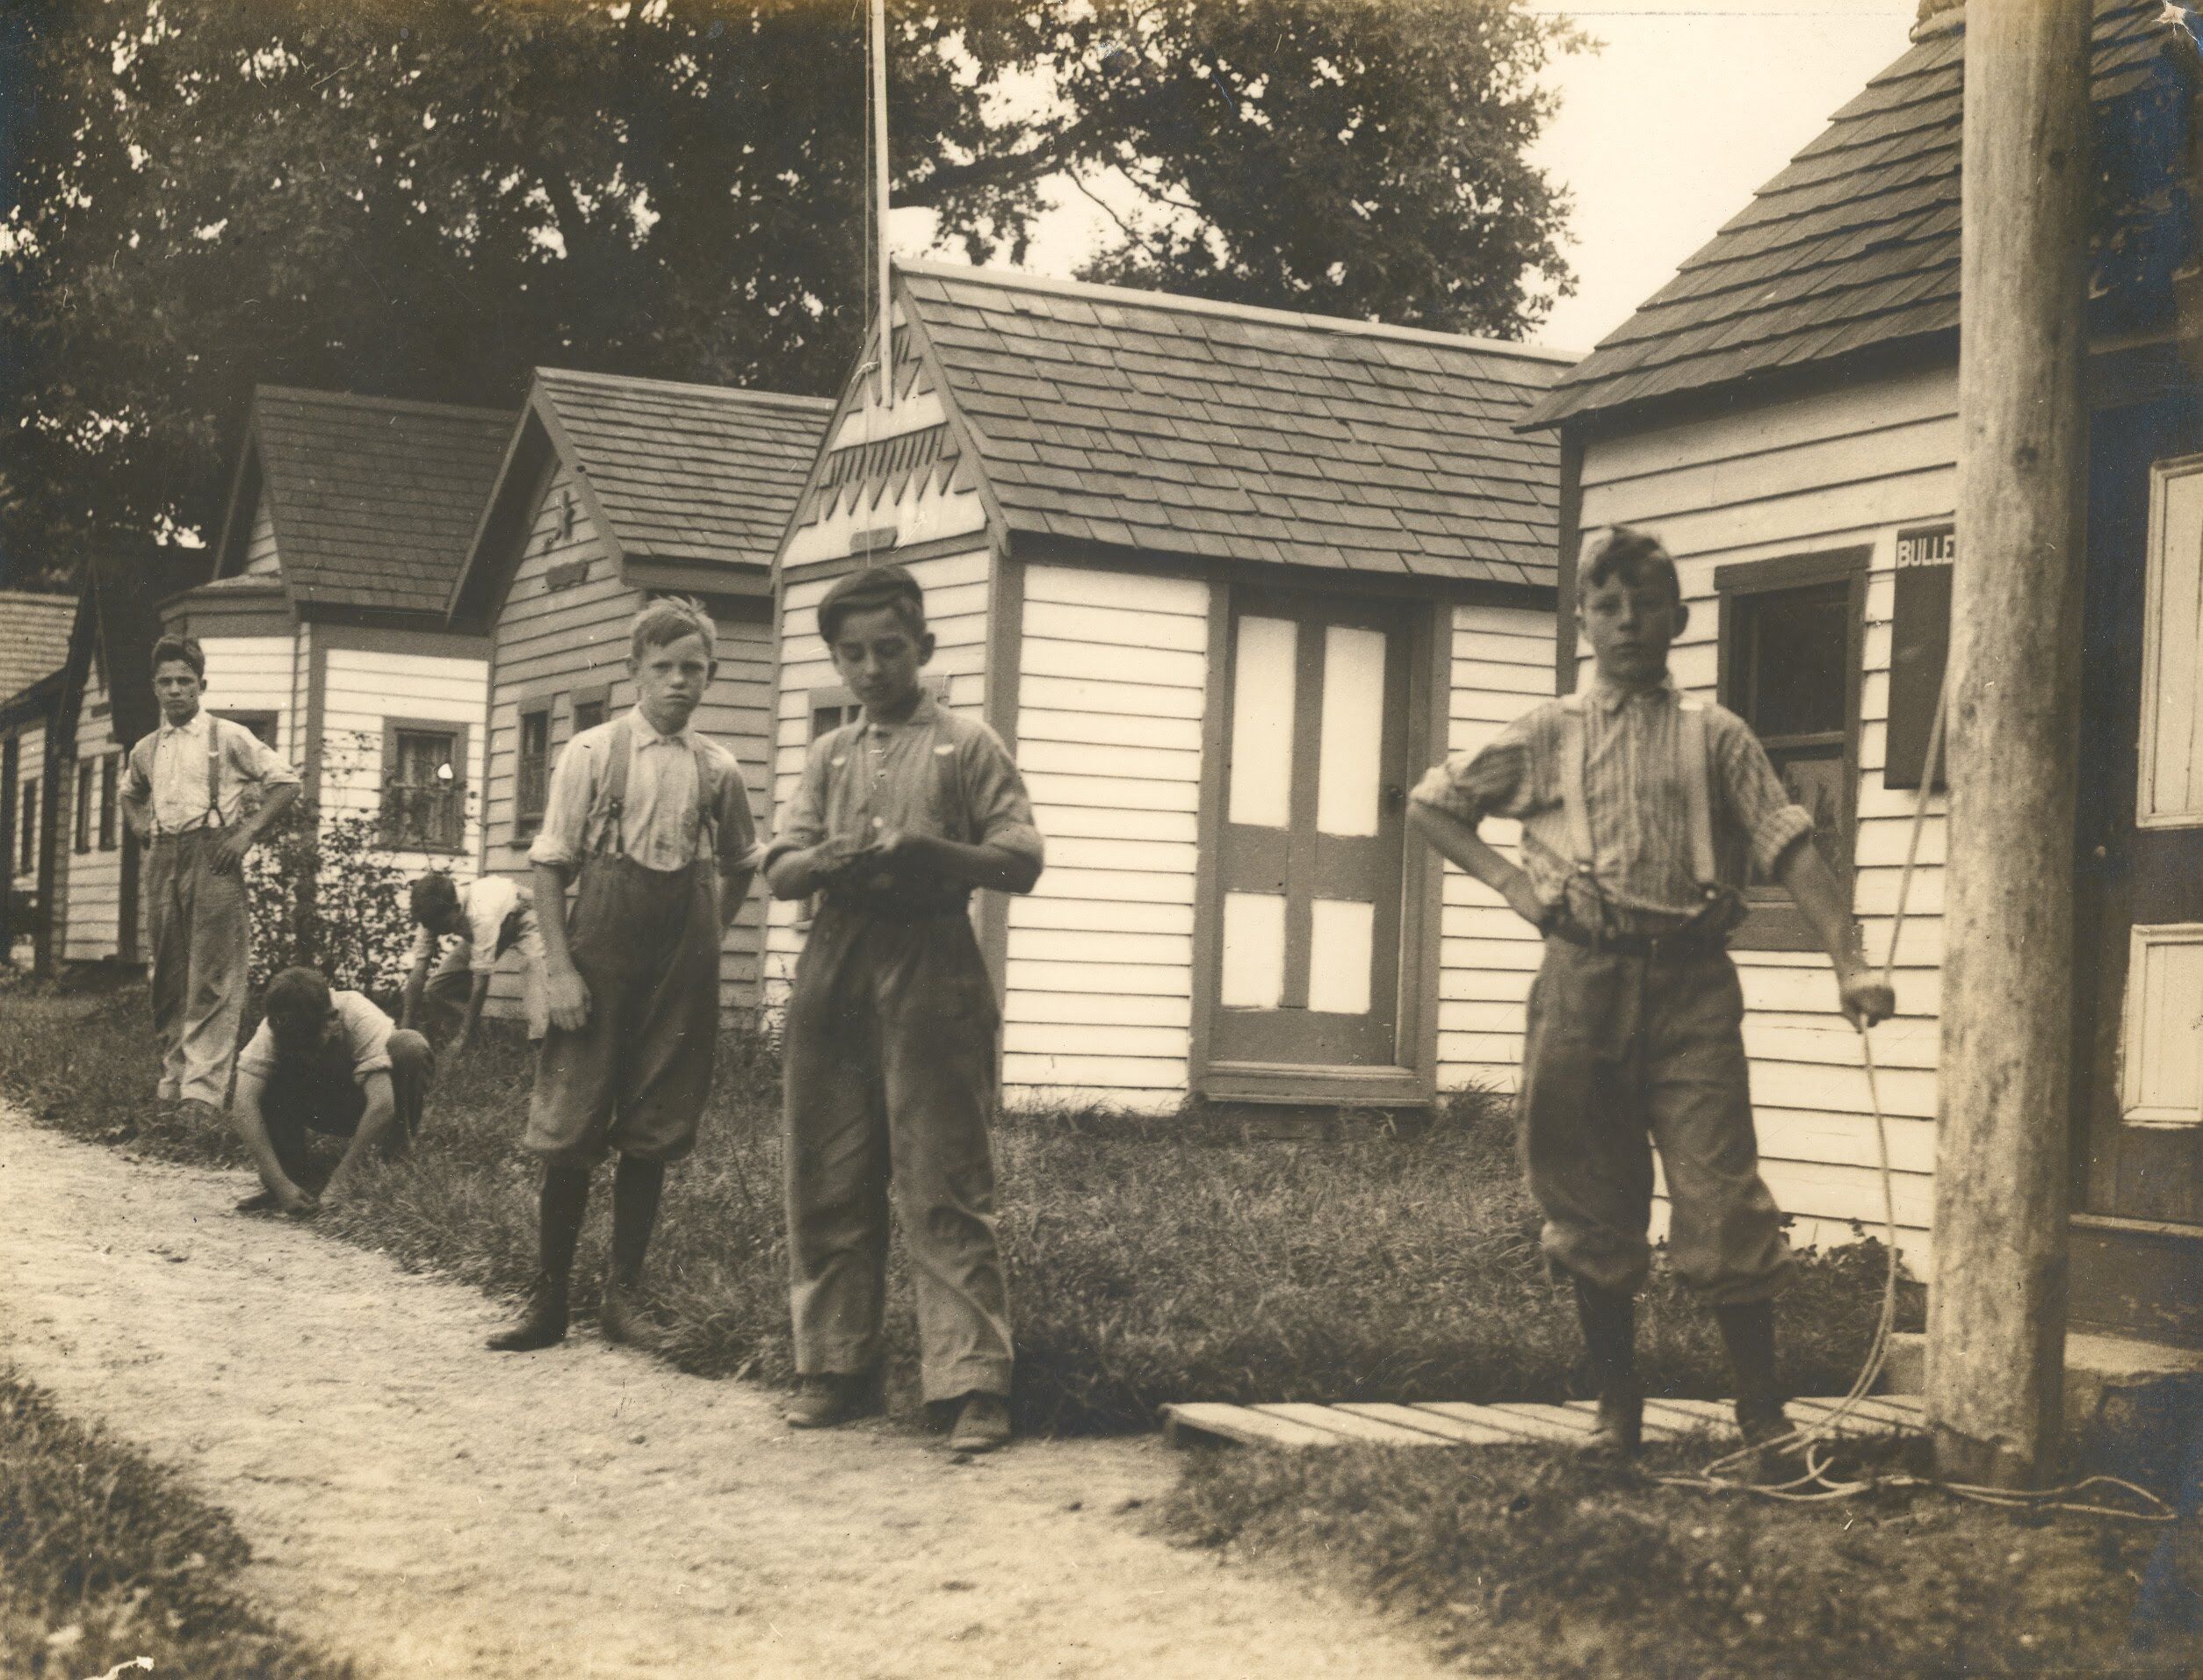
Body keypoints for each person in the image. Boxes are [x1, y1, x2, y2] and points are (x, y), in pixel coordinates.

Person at [1406, 526, 1896, 1458]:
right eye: (1608, 606)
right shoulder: (1547, 733)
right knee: (1590, 1195)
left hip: (1692, 988)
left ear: (1679, 618)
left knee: (1723, 1192)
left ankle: (1763, 1417)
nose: (1629, 621)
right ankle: (1616, 1408)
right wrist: (1512, 885)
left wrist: (1850, 961)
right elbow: (1434, 803)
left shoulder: (1716, 735)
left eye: (1647, 605)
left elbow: (1790, 844)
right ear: (1583, 621)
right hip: (1581, 981)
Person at [763, 563, 1044, 1455]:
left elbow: (1022, 858)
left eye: (889, 649)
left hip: (933, 960)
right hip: (836, 961)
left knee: (944, 1175)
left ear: (923, 645)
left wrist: (930, 849)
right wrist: (825, 860)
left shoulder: (968, 744)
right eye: (852, 655)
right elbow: (780, 867)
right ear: (835, 662)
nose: (872, 669)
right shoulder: (829, 754)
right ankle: (833, 1364)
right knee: (827, 1168)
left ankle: (972, 1382)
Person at [487, 597, 759, 1354]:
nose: (678, 681)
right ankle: (547, 1301)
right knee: (570, 1121)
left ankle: (622, 1298)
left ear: (711, 675)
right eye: (663, 667)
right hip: (598, 959)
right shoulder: (592, 753)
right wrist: (560, 972)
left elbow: (741, 862)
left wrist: (710, 939)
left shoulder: (718, 768)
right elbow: (550, 868)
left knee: (654, 1124)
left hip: (680, 969)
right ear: (635, 669)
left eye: (693, 668)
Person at [118, 633, 300, 1123]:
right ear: (154, 688)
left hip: (214, 856)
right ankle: (173, 1080)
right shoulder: (146, 748)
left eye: (185, 680)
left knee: (213, 975)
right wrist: (140, 828)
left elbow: (286, 782)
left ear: (202, 685)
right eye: (166, 682)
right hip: (164, 858)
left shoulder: (228, 737)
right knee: (167, 976)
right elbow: (130, 793)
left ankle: (202, 1094)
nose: (176, 690)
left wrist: (246, 835)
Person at [229, 965, 434, 1217]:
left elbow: (382, 1105)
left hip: (363, 1106)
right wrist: (279, 1183)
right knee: (261, 1077)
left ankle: (393, 1157)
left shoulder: (360, 1015)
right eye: (294, 1046)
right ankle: (293, 1176)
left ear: (332, 1019)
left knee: (410, 1046)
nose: (303, 1054)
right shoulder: (272, 1028)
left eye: (309, 1045)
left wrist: (339, 1183)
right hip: (317, 1105)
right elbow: (244, 1104)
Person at [398, 871, 546, 1058]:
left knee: (534, 968)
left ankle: (543, 1047)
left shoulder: (481, 914)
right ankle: (478, 1042)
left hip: (523, 912)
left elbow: (481, 982)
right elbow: (419, 971)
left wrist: (463, 1038)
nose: (438, 931)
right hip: (487, 925)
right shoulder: (432, 913)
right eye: (432, 927)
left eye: (442, 925)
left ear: (455, 908)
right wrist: (405, 1026)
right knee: (438, 988)